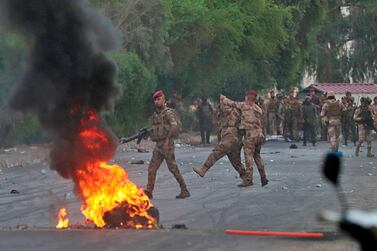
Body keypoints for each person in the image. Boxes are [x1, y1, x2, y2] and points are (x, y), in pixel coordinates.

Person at [145, 90, 190, 199]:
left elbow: (174, 126)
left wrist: (167, 140)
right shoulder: (156, 115)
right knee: (152, 168)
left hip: (167, 144)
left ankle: (184, 190)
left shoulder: (168, 113)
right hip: (158, 145)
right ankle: (149, 191)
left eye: (159, 99)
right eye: (155, 100)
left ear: (164, 100)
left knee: (173, 168)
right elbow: (155, 128)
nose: (156, 101)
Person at [220, 90, 268, 187]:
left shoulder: (244, 106)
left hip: (250, 135)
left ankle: (248, 180)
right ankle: (263, 177)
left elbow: (231, 103)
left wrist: (223, 98)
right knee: (257, 156)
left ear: (247, 97)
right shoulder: (258, 109)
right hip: (259, 135)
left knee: (248, 157)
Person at [193, 101, 246, 183]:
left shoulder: (234, 108)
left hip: (231, 134)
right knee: (235, 160)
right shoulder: (222, 110)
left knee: (218, 151)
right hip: (229, 135)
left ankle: (204, 168)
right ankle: (246, 177)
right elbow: (215, 121)